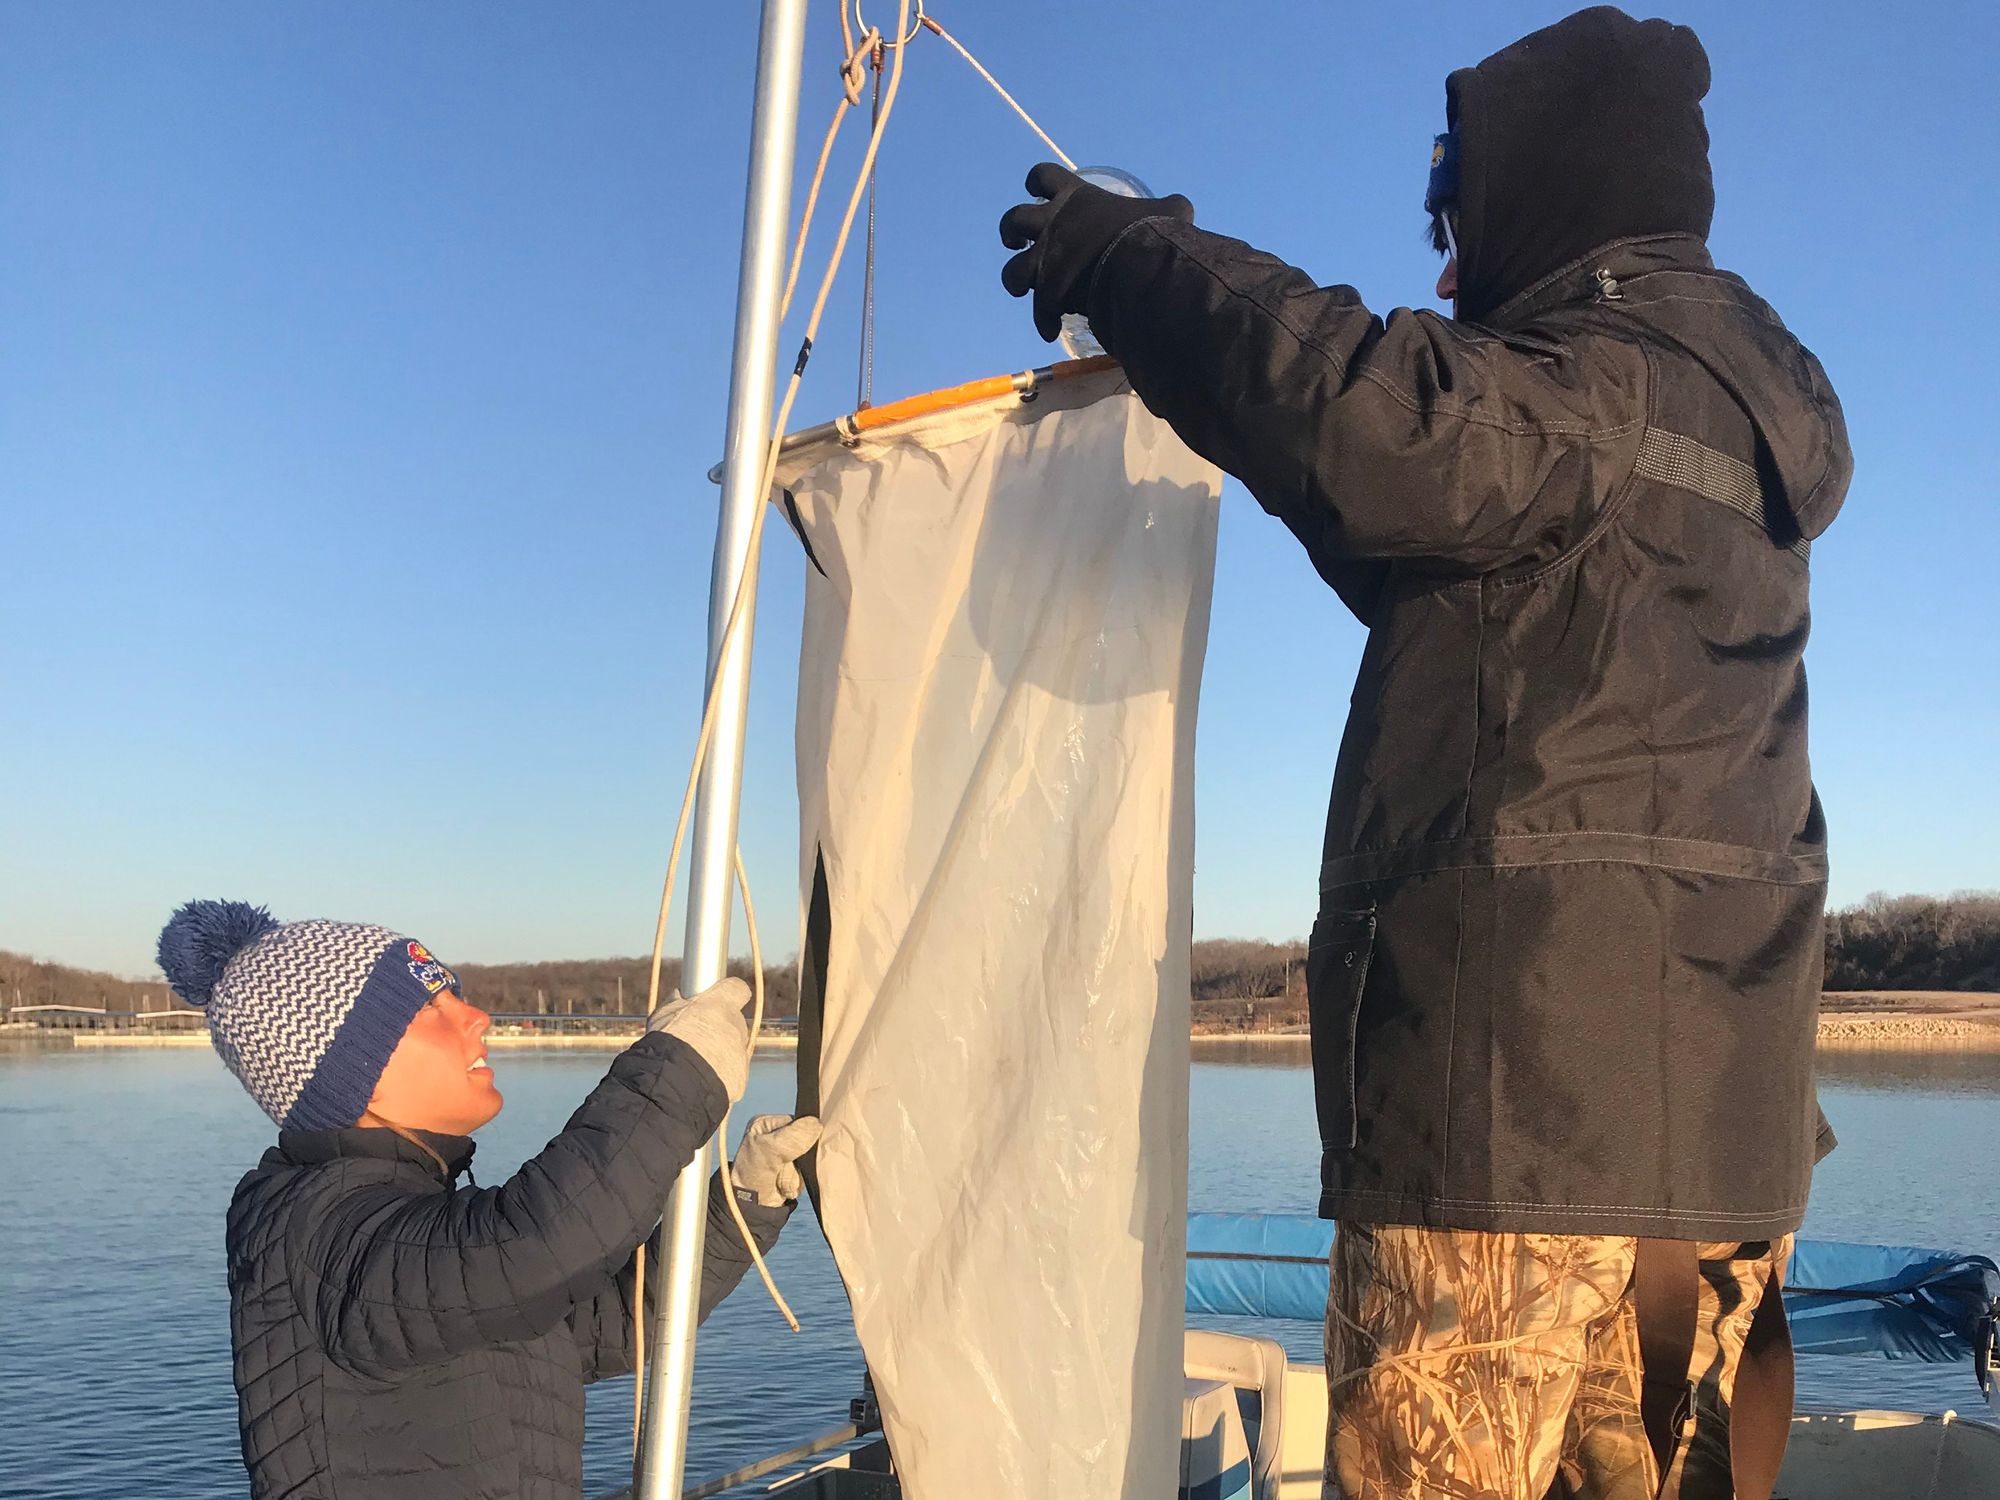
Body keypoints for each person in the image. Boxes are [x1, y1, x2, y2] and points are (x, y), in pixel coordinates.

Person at [998, 8, 1847, 1499]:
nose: (1444, 270)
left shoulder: (1587, 393)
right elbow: (1422, 538)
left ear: (1554, 206)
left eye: (1456, 221)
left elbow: (1361, 412)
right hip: (1713, 1165)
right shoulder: (1717, 441)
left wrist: (1132, 260)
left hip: (1509, 1146)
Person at [157, 897, 820, 1500]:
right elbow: (535, 1248)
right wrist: (679, 1073)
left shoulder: (415, 1223)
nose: (476, 1018)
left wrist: (740, 1202)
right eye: (431, 1010)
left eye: (458, 997)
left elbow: (605, 1324)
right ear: (352, 1074)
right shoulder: (319, 1232)